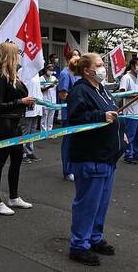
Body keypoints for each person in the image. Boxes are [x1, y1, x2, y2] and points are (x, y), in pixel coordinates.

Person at [66, 53, 126, 266]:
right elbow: (74, 119)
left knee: (101, 203)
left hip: (107, 157)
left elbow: (114, 114)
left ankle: (94, 237)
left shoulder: (102, 90)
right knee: (87, 204)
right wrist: (101, 117)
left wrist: (122, 133)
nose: (103, 68)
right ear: (87, 70)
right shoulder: (80, 91)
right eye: (99, 65)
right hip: (91, 157)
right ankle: (79, 245)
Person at [0, 42, 36, 216]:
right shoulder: (0, 77)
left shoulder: (13, 76)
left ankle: (13, 197)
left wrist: (25, 103)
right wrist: (21, 102)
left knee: (17, 160)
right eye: (17, 54)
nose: (19, 57)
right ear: (10, 55)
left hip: (15, 124)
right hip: (4, 125)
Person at [118, 57, 138, 164]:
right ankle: (128, 155)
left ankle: (137, 153)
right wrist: (134, 95)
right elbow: (122, 93)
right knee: (130, 134)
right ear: (132, 66)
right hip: (131, 111)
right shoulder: (126, 78)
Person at [59, 50, 81, 181]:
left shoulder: (79, 74)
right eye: (74, 55)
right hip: (70, 113)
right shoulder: (65, 73)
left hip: (80, 113)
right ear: (68, 59)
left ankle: (75, 168)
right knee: (68, 142)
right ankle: (67, 171)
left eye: (78, 55)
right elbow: (63, 95)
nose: (77, 57)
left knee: (78, 142)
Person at [20, 67, 43, 162]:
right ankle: (21, 153)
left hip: (36, 106)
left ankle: (30, 152)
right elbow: (20, 87)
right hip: (27, 105)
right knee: (25, 130)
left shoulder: (36, 72)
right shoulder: (22, 70)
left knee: (32, 130)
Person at [41, 63, 58, 135]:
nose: (51, 71)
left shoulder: (54, 78)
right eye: (49, 70)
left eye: (52, 70)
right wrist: (49, 87)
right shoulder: (41, 78)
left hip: (53, 100)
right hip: (45, 99)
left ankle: (50, 132)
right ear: (46, 70)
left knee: (51, 116)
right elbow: (41, 89)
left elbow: (56, 87)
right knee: (44, 116)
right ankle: (43, 132)